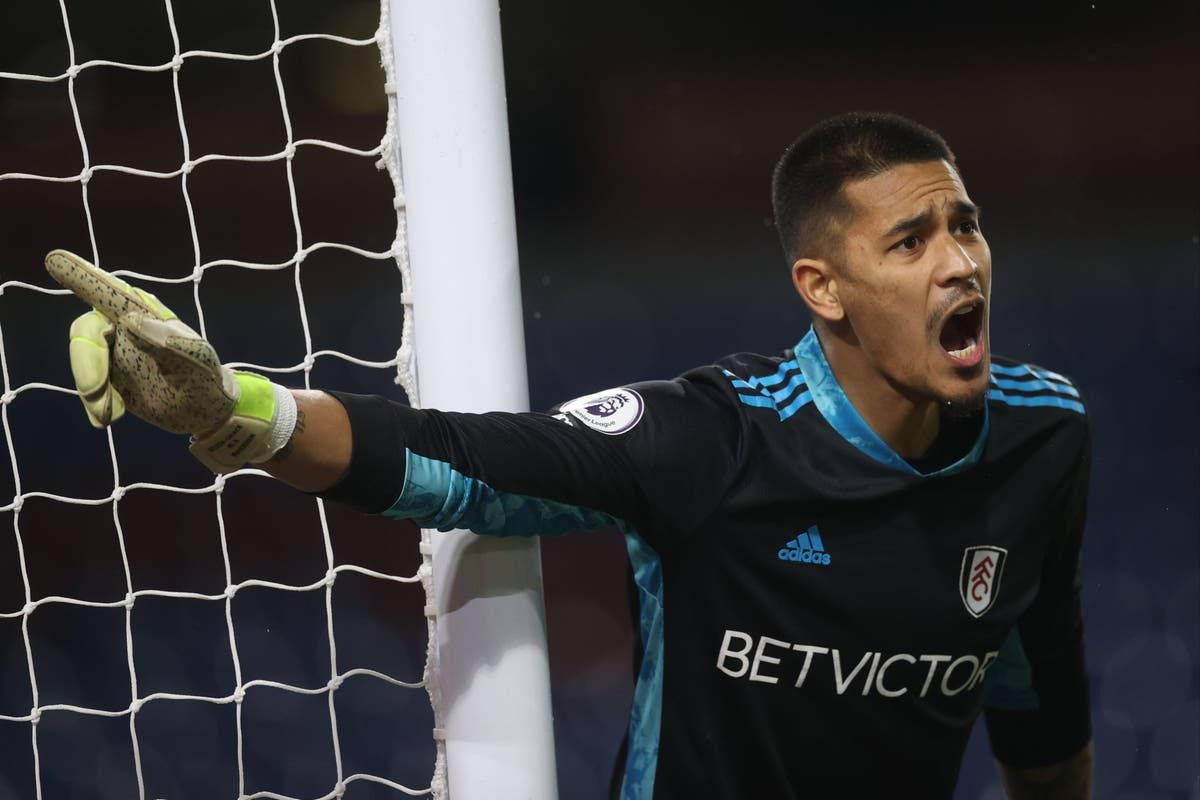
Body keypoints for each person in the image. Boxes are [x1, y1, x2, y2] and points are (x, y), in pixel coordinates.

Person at [47, 111, 1093, 799]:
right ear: (823, 288)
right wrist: (235, 408)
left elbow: (1038, 704)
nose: (960, 260)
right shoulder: (718, 436)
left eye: (967, 225)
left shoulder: (1044, 438)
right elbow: (460, 459)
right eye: (911, 241)